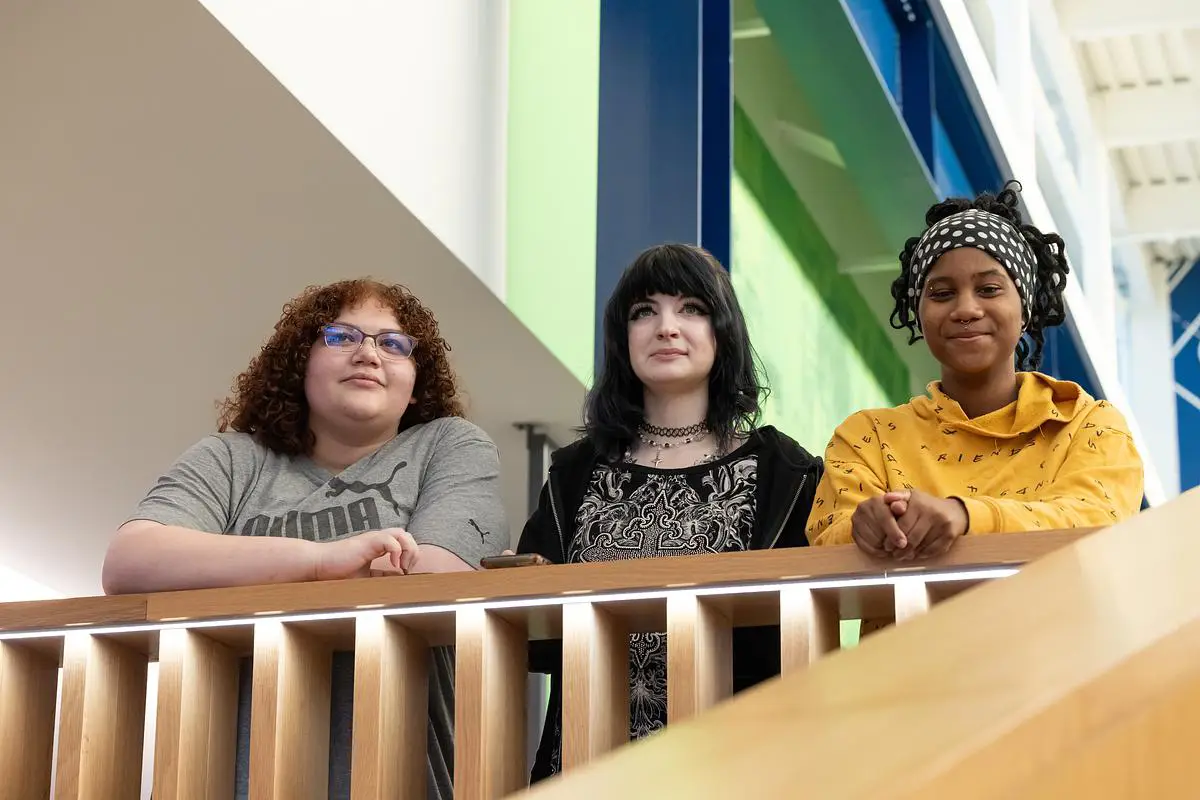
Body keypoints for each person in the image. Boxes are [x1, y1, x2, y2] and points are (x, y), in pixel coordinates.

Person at [102, 278, 507, 799]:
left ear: (415, 378)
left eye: (392, 343)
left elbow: (439, 576)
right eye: (341, 336)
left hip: (396, 775)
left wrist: (225, 567)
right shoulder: (232, 458)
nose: (368, 354)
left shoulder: (449, 444)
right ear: (301, 361)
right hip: (220, 777)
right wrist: (322, 561)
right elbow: (130, 562)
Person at [517, 243, 823, 782]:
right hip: (590, 770)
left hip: (736, 771)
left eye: (692, 308)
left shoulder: (784, 472)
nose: (666, 327)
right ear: (622, 339)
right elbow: (532, 634)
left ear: (722, 333)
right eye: (644, 311)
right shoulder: (573, 474)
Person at [806, 181, 1144, 559]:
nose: (965, 309)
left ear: (1025, 308)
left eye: (989, 289)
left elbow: (1099, 521)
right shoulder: (869, 437)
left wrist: (964, 516)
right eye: (941, 294)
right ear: (919, 314)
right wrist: (863, 527)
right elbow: (828, 535)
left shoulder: (1089, 426)